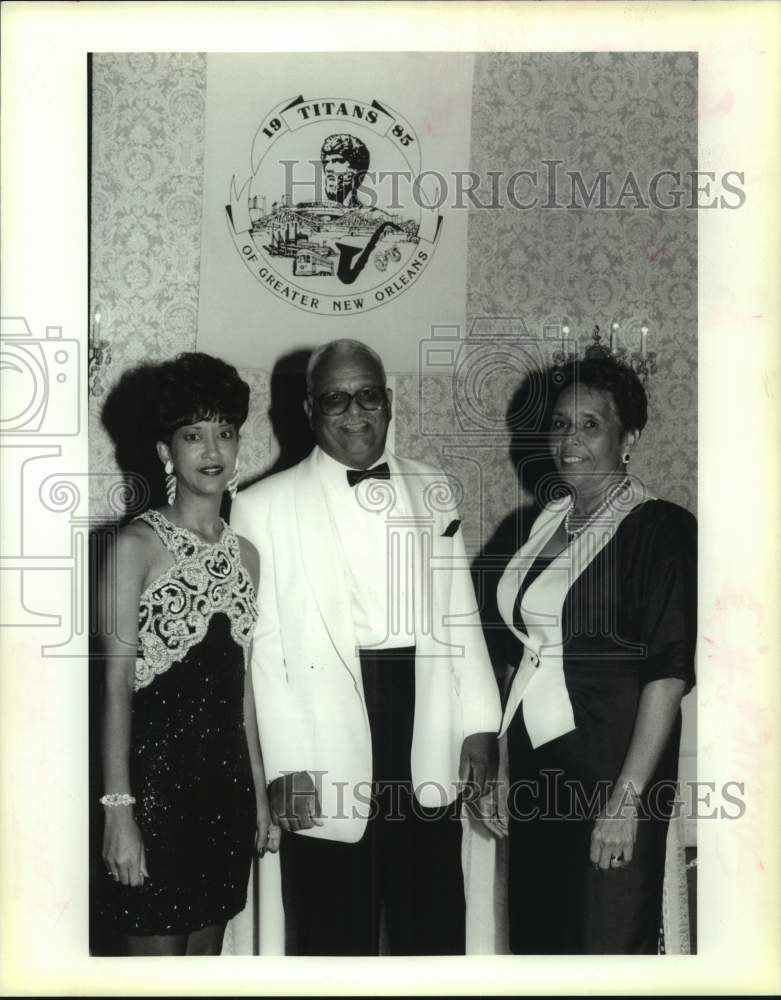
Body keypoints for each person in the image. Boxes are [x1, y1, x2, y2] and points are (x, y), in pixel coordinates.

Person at [231, 338, 502, 955]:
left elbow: (461, 614)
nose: (355, 412)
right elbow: (263, 655)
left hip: (424, 719)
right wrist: (285, 764)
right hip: (320, 730)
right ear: (308, 410)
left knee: (431, 918)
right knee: (330, 926)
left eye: (368, 395)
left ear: (388, 400)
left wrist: (481, 725)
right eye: (336, 399)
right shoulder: (259, 505)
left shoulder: (434, 488)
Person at [494, 353, 696, 954]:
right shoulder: (540, 525)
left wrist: (626, 802)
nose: (568, 440)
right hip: (539, 763)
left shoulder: (660, 528)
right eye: (559, 424)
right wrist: (505, 765)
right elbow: (517, 653)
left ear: (627, 436)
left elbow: (668, 672)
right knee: (540, 938)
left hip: (611, 765)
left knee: (603, 943)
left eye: (590, 424)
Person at [99, 352, 279, 955]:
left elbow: (242, 688)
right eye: (192, 434)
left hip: (222, 797)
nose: (212, 449)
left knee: (205, 970)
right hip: (152, 795)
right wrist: (119, 812)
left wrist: (257, 793)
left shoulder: (248, 556)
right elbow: (115, 691)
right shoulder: (135, 547)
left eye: (225, 432)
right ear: (164, 451)